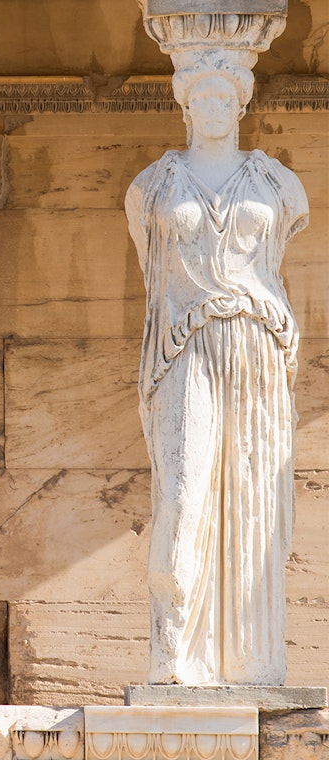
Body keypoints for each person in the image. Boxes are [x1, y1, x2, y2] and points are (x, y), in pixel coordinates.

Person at [125, 58, 308, 685]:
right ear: (184, 104)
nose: (212, 107)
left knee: (252, 494)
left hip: (256, 348)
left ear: (241, 102)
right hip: (187, 349)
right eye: (200, 95)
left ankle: (252, 662)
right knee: (186, 494)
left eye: (223, 96)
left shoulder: (277, 182)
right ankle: (174, 653)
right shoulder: (152, 186)